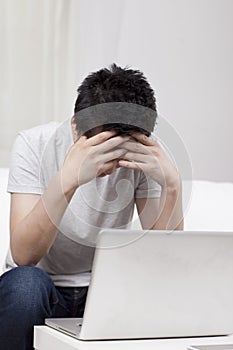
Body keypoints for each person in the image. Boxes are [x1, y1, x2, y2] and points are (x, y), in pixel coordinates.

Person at [0, 63, 183, 350]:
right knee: (26, 285)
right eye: (103, 146)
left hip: (106, 292)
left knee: (159, 294)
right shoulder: (34, 143)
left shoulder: (145, 153)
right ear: (76, 126)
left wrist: (172, 186)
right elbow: (24, 256)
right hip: (44, 291)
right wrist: (68, 181)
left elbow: (164, 263)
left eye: (122, 150)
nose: (112, 163)